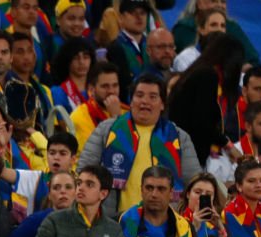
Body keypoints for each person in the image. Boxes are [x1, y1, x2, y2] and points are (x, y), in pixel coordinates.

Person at [79, 73, 202, 219]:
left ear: (162, 104)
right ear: (131, 101)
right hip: (114, 222)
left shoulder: (179, 138)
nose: (145, 101)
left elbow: (195, 184)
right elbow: (84, 173)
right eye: (139, 95)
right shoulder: (107, 130)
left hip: (164, 225)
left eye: (152, 97)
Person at [168, 33, 246, 168]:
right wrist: (226, 144)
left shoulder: (199, 71)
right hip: (188, 154)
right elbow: (202, 122)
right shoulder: (207, 76)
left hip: (182, 149)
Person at [171, 0, 260, 67]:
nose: (219, 5)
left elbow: (254, 61)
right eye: (213, 0)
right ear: (199, 3)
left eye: (223, 2)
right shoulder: (184, 29)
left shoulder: (232, 27)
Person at [70, 61, 125, 150]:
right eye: (105, 86)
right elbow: (96, 153)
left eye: (115, 85)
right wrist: (116, 119)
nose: (111, 91)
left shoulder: (127, 112)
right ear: (91, 89)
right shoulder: (79, 116)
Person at [104, 0, 151, 102]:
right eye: (133, 13)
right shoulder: (116, 48)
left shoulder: (151, 44)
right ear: (121, 18)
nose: (139, 17)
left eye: (142, 13)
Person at [171, 7, 226, 75]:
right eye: (213, 25)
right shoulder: (185, 59)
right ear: (201, 29)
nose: (219, 29)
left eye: (222, 26)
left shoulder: (229, 58)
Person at [49, 37, 95, 114]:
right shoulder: (58, 92)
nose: (81, 62)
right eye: (76, 58)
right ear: (67, 61)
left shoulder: (97, 89)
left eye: (86, 57)